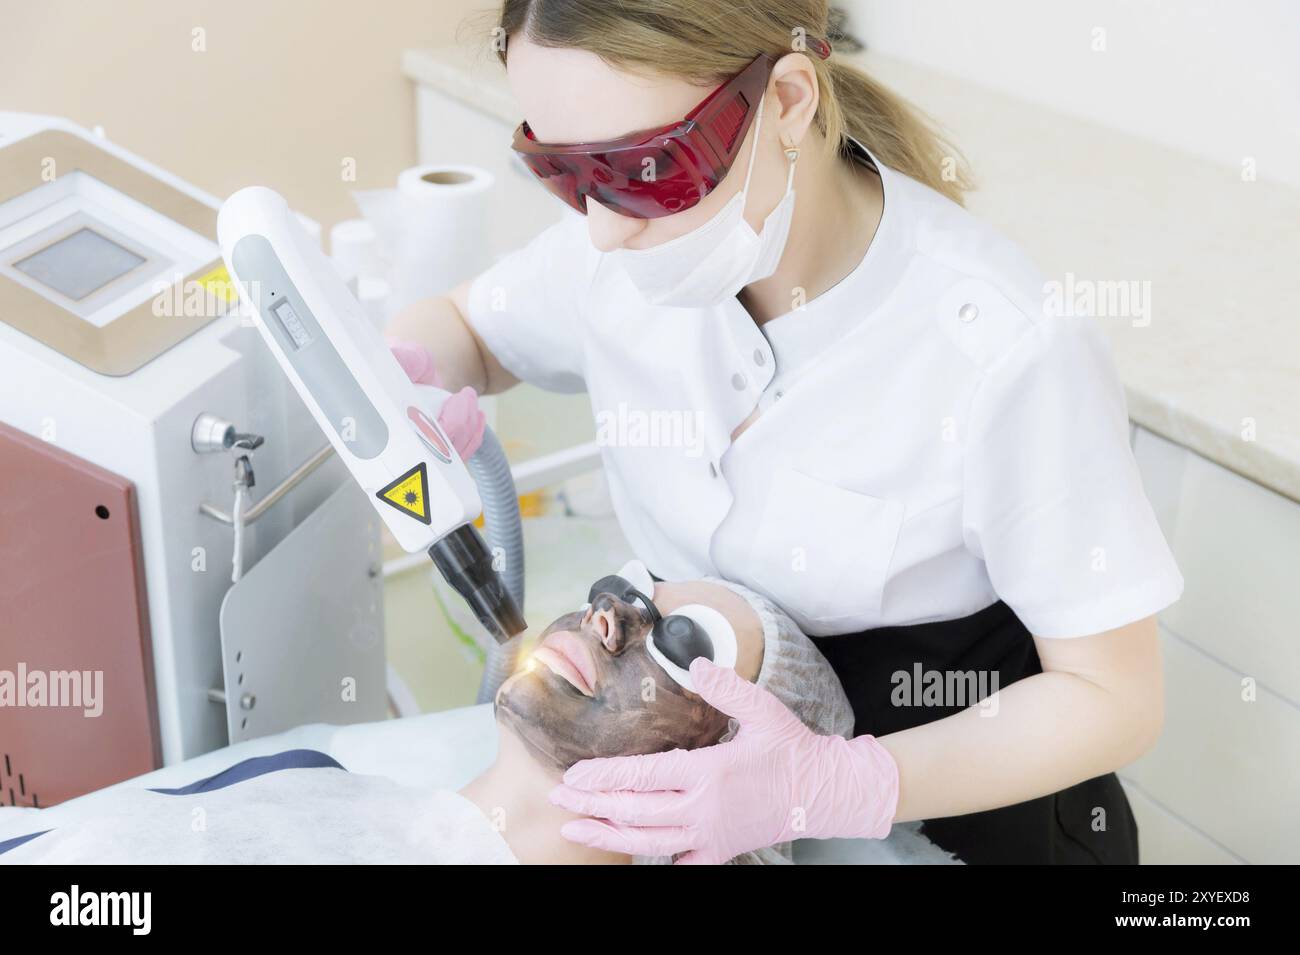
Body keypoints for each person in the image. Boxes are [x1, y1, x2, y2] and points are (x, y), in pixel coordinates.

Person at [387, 0, 1184, 864]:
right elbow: (466, 328)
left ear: (790, 101)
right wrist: (407, 380)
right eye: (562, 170)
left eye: (648, 166)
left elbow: (1114, 697)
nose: (605, 227)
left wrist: (834, 783)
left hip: (966, 822)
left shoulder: (1003, 347)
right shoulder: (610, 253)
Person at [0, 577, 863, 865]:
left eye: (679, 641)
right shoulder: (309, 777)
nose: (610, 616)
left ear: (732, 768)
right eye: (623, 589)